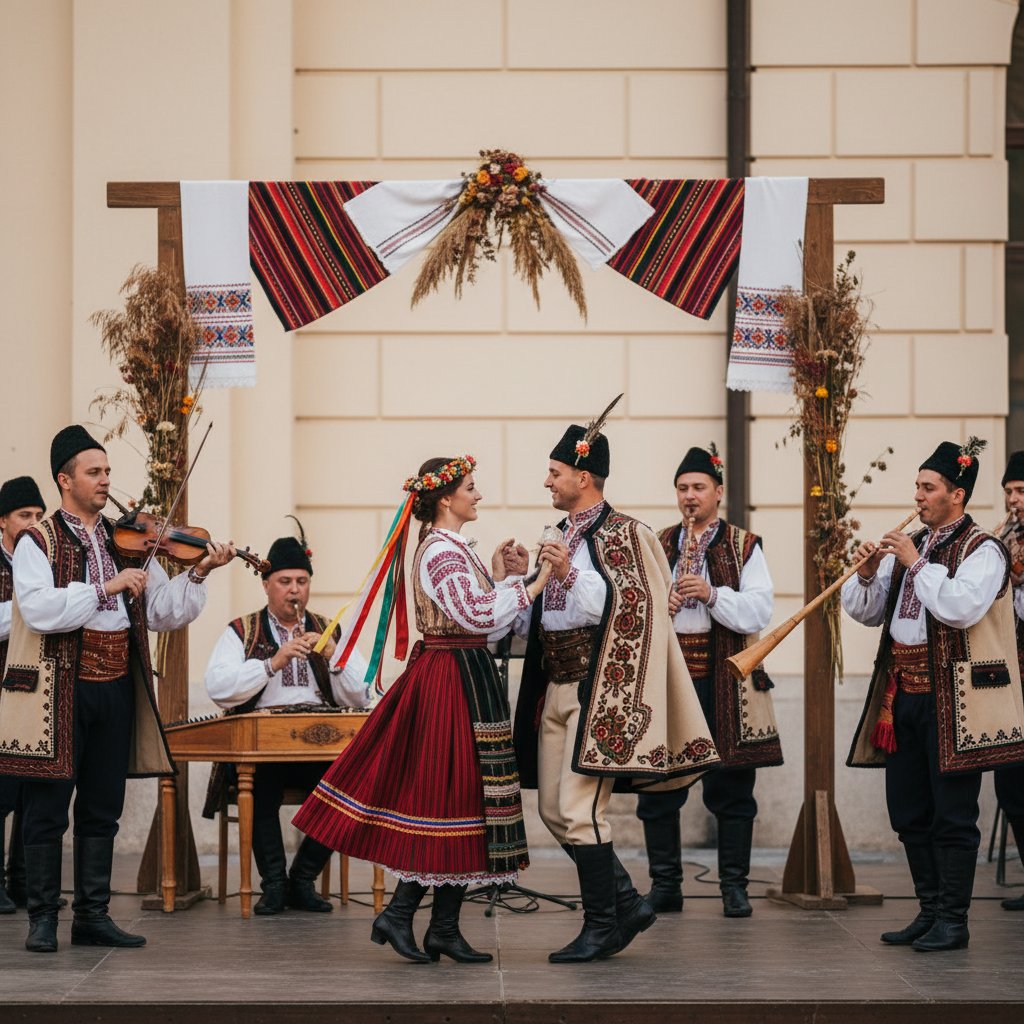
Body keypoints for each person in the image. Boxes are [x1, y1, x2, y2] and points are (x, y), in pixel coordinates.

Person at [294, 455, 551, 964]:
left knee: (469, 801)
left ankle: (443, 928)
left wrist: (501, 576)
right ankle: (402, 914)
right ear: (444, 498)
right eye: (471, 488)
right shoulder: (439, 551)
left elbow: (487, 623)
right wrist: (536, 582)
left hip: (467, 674)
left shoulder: (456, 550)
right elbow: (476, 614)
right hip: (448, 680)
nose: (478, 496)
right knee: (446, 795)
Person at [0, 426, 234, 953]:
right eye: (95, 472)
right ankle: (41, 919)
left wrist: (197, 572)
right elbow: (36, 609)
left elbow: (158, 612)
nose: (106, 480)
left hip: (114, 686)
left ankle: (92, 915)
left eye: (107, 471)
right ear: (65, 480)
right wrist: (106, 586)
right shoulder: (39, 540)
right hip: (58, 690)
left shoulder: (120, 538)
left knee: (102, 805)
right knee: (47, 807)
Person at [512, 411, 721, 964]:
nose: (547, 481)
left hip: (600, 686)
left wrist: (567, 574)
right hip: (555, 684)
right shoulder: (558, 534)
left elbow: (632, 609)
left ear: (584, 477)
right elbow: (538, 618)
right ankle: (626, 903)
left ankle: (603, 924)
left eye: (554, 472)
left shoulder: (628, 533)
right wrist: (521, 578)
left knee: (582, 811)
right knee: (556, 811)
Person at [841, 439, 1024, 952]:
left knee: (953, 815)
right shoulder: (914, 545)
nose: (917, 496)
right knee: (908, 812)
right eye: (917, 487)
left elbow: (960, 607)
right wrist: (868, 573)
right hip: (903, 697)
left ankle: (954, 918)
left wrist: (915, 563)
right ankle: (928, 910)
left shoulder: (984, 548)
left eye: (928, 487)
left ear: (956, 495)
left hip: (956, 700)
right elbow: (873, 613)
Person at [637, 444, 781, 919]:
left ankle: (733, 887)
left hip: (727, 683)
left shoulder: (743, 544)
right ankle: (665, 885)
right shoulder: (660, 543)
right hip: (673, 681)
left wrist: (713, 593)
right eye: (682, 488)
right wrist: (665, 607)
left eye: (698, 487)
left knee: (732, 790)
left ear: (718, 492)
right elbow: (637, 612)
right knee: (659, 786)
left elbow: (760, 609)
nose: (689, 496)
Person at [203, 524, 373, 915]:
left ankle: (302, 879)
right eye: (284, 581)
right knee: (259, 784)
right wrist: (272, 663)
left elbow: (362, 694)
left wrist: (334, 655)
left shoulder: (329, 628)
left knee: (348, 786)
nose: (294, 590)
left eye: (301, 581)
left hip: (318, 743)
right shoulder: (242, 631)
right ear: (266, 585)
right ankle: (275, 884)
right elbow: (219, 686)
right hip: (263, 748)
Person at [0, 475, 47, 914]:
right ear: (3, 521)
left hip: (32, 686)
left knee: (28, 785)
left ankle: (23, 881)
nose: (33, 522)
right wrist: (30, 607)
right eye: (24, 516)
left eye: (38, 515)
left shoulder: (44, 557)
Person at [993, 450, 1024, 911]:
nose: (1014, 502)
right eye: (1009, 493)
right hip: (1011, 677)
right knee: (1011, 782)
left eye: (1020, 492)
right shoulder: (1001, 538)